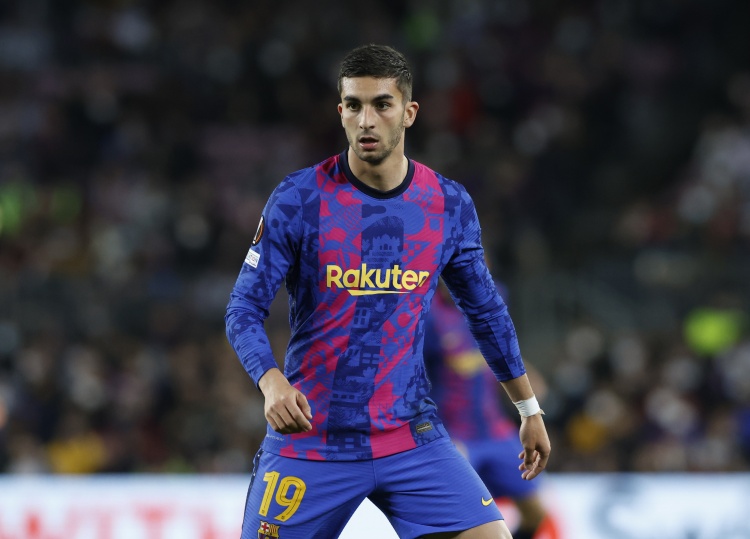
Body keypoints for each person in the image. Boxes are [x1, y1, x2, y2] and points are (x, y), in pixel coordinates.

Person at [225, 43, 550, 539]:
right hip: (312, 440)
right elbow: (243, 307)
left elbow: (486, 312)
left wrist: (527, 408)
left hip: (409, 437)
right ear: (340, 112)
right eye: (353, 105)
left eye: (382, 104)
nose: (366, 120)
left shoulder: (447, 204)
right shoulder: (299, 198)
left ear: (409, 112)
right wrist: (271, 381)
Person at [425, 280, 559, 539]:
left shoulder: (489, 298)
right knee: (460, 518)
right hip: (453, 434)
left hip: (494, 430)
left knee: (536, 512)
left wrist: (525, 377)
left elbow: (497, 349)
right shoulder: (429, 314)